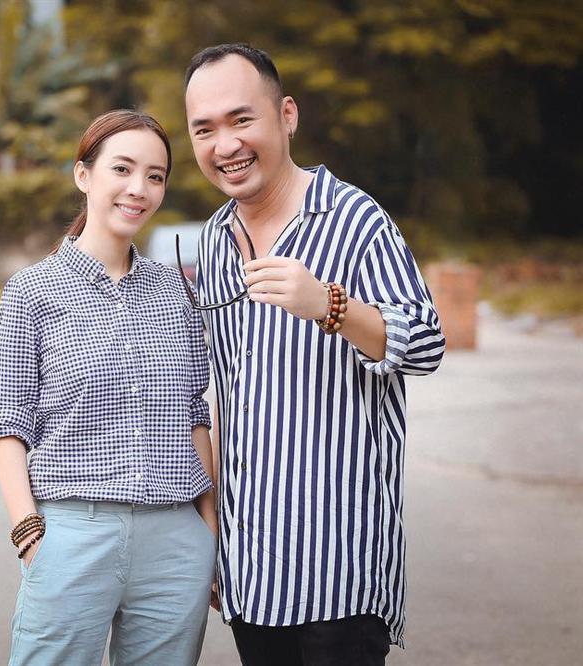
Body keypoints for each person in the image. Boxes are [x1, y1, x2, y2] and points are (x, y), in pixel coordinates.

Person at [183, 44, 446, 665]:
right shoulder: (215, 241)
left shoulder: (356, 220)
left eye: (242, 119)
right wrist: (215, 539)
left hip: (340, 563)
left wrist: (331, 305)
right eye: (205, 129)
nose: (226, 145)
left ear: (287, 116)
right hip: (251, 567)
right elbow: (223, 395)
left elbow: (427, 343)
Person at [0, 109, 218, 666]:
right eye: (123, 169)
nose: (139, 189)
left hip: (175, 542)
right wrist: (29, 534)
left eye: (156, 176)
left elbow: (194, 414)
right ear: (84, 174)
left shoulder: (177, 292)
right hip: (71, 534)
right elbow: (8, 424)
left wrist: (208, 534)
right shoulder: (32, 292)